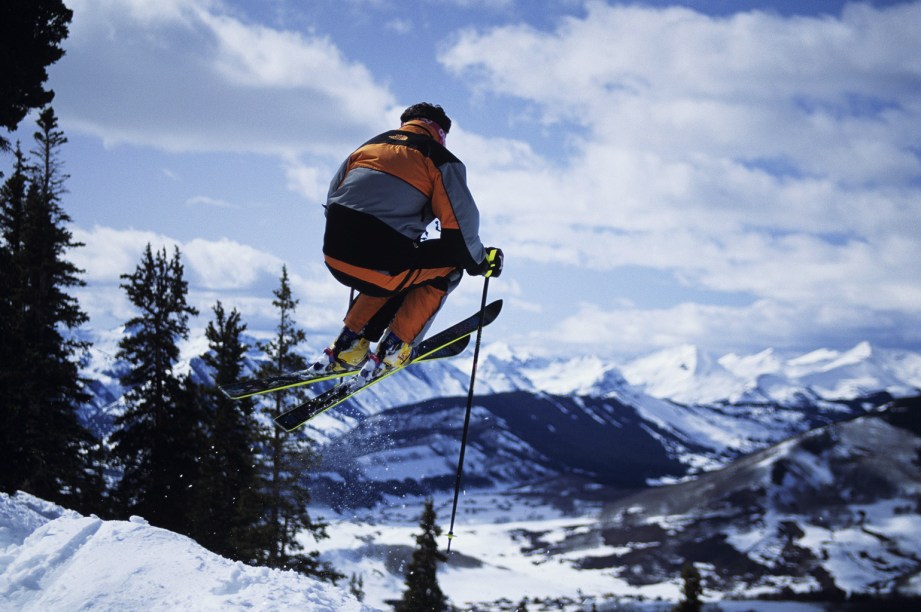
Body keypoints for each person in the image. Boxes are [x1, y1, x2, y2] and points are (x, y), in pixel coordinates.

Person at [314, 102, 502, 379]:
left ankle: (348, 345)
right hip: (382, 265)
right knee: (447, 265)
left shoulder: (367, 148)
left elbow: (333, 199)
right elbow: (461, 231)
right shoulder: (438, 158)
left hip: (334, 255)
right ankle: (396, 347)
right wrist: (481, 261)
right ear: (439, 132)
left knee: (401, 264)